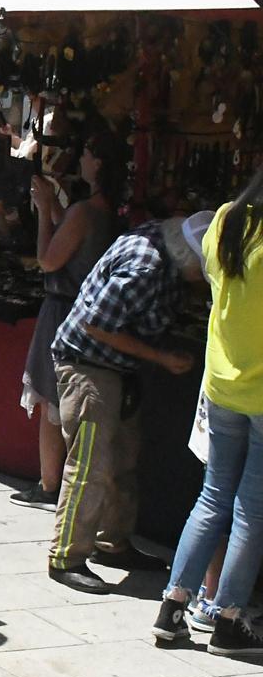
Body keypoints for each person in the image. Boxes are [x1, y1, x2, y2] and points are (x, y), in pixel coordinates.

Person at [48, 214, 208, 594]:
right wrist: (160, 357)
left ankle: (112, 543)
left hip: (116, 369)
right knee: (89, 465)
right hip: (89, 366)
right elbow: (95, 323)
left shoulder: (161, 245)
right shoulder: (147, 264)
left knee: (122, 460)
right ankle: (65, 556)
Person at [153, 176, 263, 654]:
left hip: (221, 384)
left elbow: (194, 229)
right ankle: (229, 618)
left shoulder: (224, 223)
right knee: (250, 509)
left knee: (213, 496)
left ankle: (173, 606)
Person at [13, 137, 120, 508]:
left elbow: (48, 259)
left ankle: (47, 484)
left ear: (100, 165)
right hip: (90, 310)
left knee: (50, 399)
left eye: (89, 153)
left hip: (64, 309)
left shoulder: (87, 212)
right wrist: (57, 206)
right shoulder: (105, 211)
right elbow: (71, 233)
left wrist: (44, 209)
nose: (82, 158)